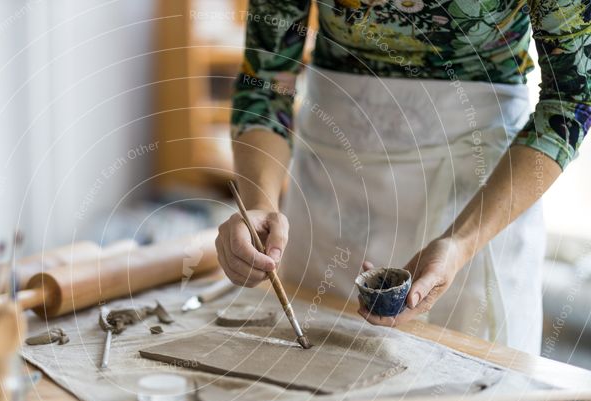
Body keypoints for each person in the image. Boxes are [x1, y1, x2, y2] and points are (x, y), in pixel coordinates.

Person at [216, 0, 591, 354]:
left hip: (482, 194)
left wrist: (461, 243)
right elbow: (266, 80)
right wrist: (259, 203)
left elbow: (571, 99)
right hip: (331, 185)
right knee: (305, 396)